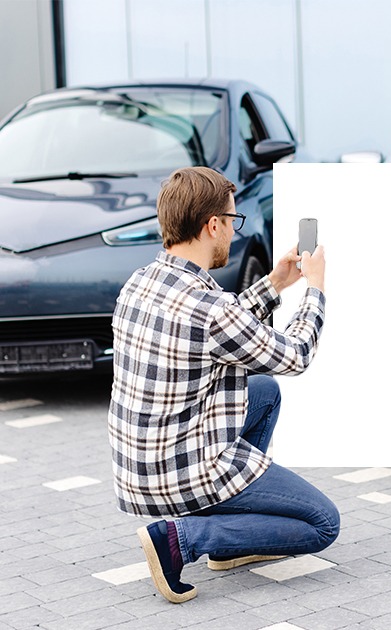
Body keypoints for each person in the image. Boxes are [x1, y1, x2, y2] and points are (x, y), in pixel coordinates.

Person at [107, 166, 338, 603]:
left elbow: (220, 324)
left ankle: (232, 538)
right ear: (213, 224)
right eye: (233, 221)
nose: (233, 231)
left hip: (141, 464)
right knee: (323, 523)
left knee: (264, 393)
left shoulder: (140, 282)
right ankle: (184, 537)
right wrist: (316, 289)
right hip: (184, 470)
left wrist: (277, 283)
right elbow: (296, 354)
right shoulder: (210, 308)